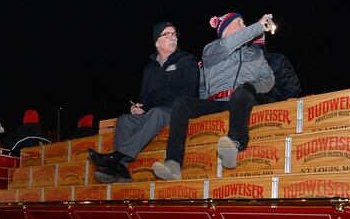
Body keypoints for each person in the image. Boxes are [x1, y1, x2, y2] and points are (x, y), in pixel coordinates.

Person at [152, 12, 275, 181]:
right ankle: (173, 163)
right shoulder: (212, 49)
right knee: (182, 103)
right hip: (218, 102)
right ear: (224, 29)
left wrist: (252, 87)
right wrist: (259, 26)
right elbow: (228, 46)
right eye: (240, 22)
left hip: (243, 99)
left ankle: (234, 144)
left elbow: (269, 79)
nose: (244, 26)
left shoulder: (256, 54)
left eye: (245, 23)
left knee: (242, 93)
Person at [89, 21, 199, 183]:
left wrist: (156, 102)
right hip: (154, 112)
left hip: (179, 110)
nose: (172, 38)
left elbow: (190, 90)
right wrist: (139, 107)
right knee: (124, 119)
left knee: (157, 112)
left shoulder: (186, 60)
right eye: (167, 34)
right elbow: (145, 97)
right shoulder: (150, 69)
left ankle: (116, 157)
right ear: (157, 42)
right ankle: (121, 170)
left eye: (174, 34)